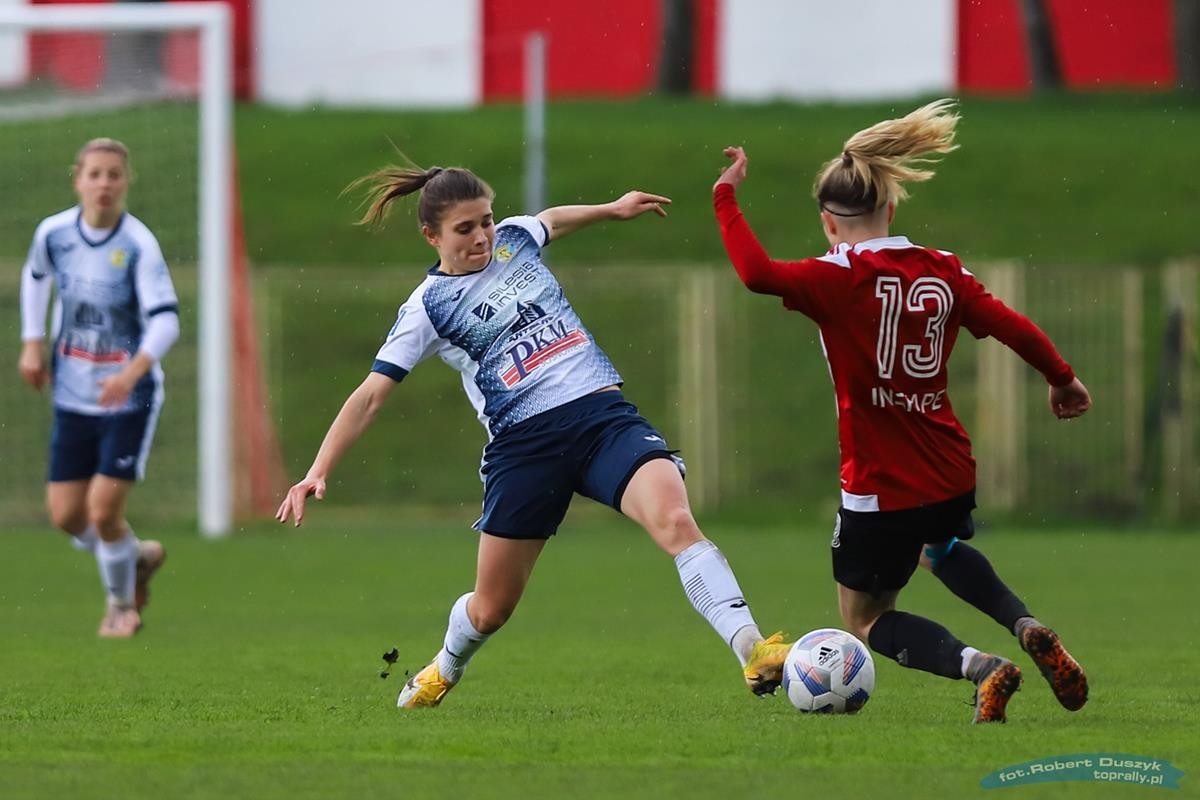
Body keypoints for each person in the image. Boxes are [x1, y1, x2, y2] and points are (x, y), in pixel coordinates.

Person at [276, 156, 792, 708]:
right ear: (431, 236)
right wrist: (317, 470)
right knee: (490, 610)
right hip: (525, 449)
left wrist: (612, 209)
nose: (482, 236)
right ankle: (445, 666)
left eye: (487, 220)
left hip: (602, 419)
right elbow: (370, 395)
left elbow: (550, 220)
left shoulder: (513, 240)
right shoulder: (427, 308)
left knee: (676, 520)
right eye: (465, 229)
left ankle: (752, 648)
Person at [712, 99, 1090, 723]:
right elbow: (1011, 325)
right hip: (948, 467)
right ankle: (1025, 624)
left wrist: (726, 196)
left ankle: (982, 667)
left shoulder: (835, 277)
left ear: (828, 224)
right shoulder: (943, 270)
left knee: (864, 618)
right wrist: (1063, 379)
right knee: (938, 547)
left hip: (879, 484)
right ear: (890, 208)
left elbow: (755, 273)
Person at [19, 138, 177, 638]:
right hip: (73, 394)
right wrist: (32, 343)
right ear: (78, 180)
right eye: (95, 174)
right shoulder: (54, 234)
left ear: (126, 181)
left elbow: (166, 321)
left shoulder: (138, 245)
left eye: (114, 174)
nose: (104, 183)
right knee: (67, 516)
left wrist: (130, 373)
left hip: (128, 399)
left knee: (104, 511)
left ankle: (120, 608)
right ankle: (135, 557)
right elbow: (35, 277)